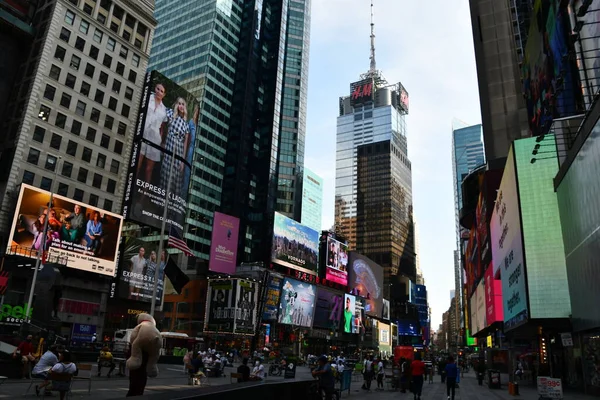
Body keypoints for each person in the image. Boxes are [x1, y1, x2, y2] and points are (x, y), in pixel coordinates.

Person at [160, 97, 190, 204]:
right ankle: (161, 203)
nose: (181, 106)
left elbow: (185, 144)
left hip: (179, 151)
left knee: (175, 179)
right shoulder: (171, 114)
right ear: (177, 105)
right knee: (165, 175)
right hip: (169, 147)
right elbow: (162, 122)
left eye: (183, 104)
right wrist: (161, 141)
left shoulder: (186, 125)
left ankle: (171, 207)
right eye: (179, 103)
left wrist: (182, 161)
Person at [138, 82, 168, 183]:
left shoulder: (164, 110)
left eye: (162, 91)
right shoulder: (147, 99)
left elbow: (162, 128)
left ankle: (144, 196)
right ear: (155, 89)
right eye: (158, 89)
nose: (159, 92)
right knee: (137, 163)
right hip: (142, 133)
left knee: (148, 169)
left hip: (154, 139)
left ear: (164, 94)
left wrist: (160, 141)